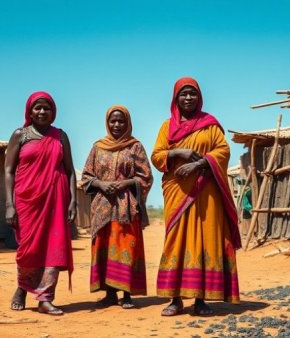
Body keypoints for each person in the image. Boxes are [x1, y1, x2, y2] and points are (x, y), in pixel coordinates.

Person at [151, 77, 241, 316]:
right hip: (177, 191)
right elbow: (157, 156)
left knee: (205, 239)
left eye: (192, 93)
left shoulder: (210, 124)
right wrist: (178, 151)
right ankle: (175, 299)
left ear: (199, 96)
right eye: (183, 94)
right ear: (175, 98)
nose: (188, 98)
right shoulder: (166, 126)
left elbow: (222, 151)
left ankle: (201, 299)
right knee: (176, 241)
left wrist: (199, 164)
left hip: (205, 192)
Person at [4, 91, 76, 316]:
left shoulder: (60, 136)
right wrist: (9, 203)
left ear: (53, 111)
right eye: (38, 108)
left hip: (56, 199)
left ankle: (45, 298)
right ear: (30, 111)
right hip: (27, 200)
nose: (42, 112)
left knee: (52, 248)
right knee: (28, 248)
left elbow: (70, 170)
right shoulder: (20, 135)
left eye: (47, 108)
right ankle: (23, 287)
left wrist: (73, 201)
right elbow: (8, 170)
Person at [81, 105, 153, 309]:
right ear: (107, 122)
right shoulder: (98, 147)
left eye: (121, 121)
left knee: (126, 247)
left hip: (126, 208)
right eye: (113, 121)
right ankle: (110, 294)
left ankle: (128, 294)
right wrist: (101, 184)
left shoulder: (135, 146)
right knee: (104, 247)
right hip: (102, 206)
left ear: (128, 123)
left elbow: (146, 176)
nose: (117, 125)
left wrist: (126, 183)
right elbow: (86, 176)